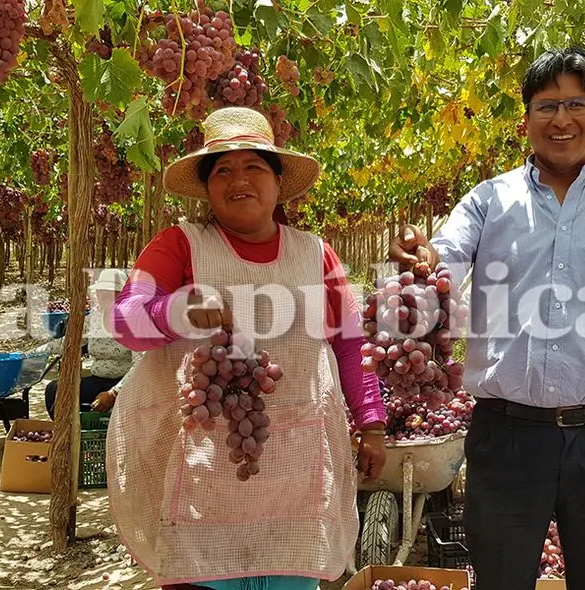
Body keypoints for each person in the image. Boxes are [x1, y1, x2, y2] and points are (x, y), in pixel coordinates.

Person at [389, 47, 585, 590]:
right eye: (546, 105)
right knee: (502, 580)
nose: (562, 118)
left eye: (577, 103)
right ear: (526, 119)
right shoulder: (487, 203)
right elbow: (444, 259)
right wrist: (422, 257)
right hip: (507, 436)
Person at [106, 106, 387, 590]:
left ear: (279, 182)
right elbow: (125, 320)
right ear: (208, 187)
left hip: (295, 470)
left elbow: (349, 341)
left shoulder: (315, 253)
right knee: (200, 570)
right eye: (223, 170)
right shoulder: (179, 244)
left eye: (254, 166)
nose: (239, 179)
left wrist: (372, 422)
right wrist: (176, 311)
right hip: (204, 469)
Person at [41, 269, 133, 418]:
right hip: (98, 380)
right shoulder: (94, 320)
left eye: (109, 292)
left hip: (127, 384)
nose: (103, 296)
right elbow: (70, 343)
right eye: (100, 292)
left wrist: (113, 393)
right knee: (55, 390)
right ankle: (68, 436)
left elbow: (139, 363)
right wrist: (37, 351)